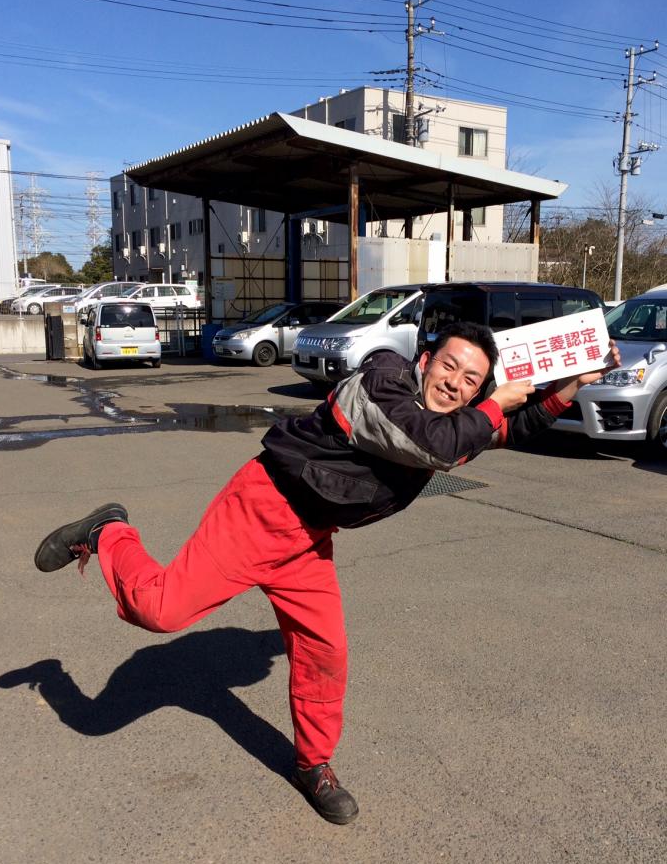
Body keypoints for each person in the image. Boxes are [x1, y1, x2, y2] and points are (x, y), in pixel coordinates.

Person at [34, 321, 619, 826]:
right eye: (449, 366)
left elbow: (504, 430)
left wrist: (568, 389)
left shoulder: (457, 421)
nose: (454, 383)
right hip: (263, 508)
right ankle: (107, 530)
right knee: (156, 612)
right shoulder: (382, 383)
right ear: (424, 360)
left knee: (324, 651)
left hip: (309, 537)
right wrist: (492, 402)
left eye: (470, 380)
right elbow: (427, 439)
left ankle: (313, 765)